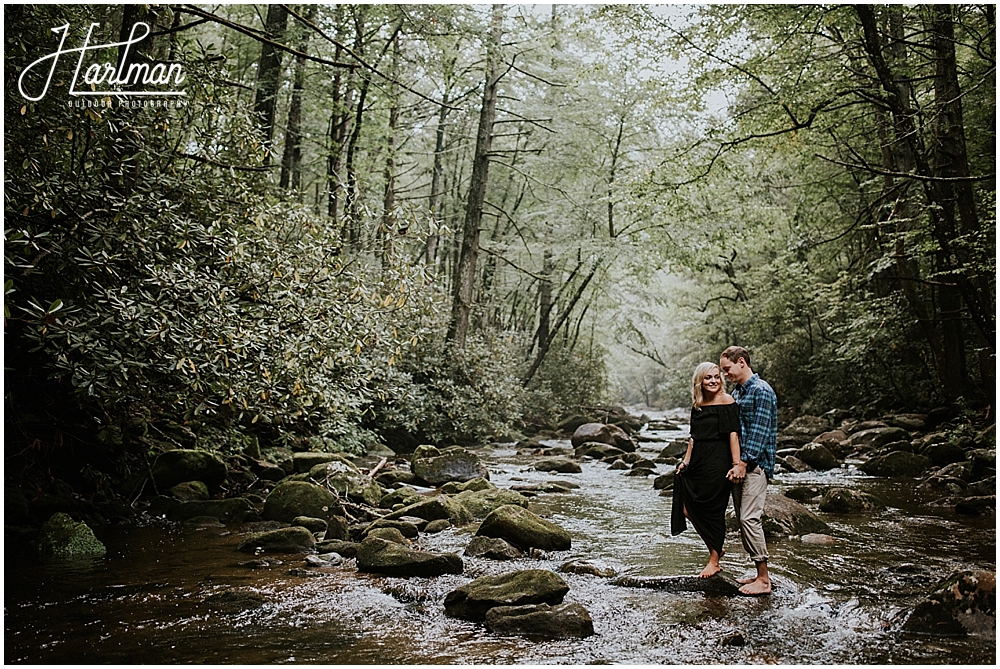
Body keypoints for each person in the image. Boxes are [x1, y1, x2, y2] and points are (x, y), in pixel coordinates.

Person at [671, 362, 744, 579]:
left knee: (714, 510)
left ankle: (714, 559)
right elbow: (693, 437)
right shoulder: (698, 404)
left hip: (718, 461)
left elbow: (733, 435)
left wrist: (736, 464)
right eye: (708, 378)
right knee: (685, 508)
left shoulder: (728, 401)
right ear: (700, 381)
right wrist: (685, 462)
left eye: (716, 377)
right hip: (699, 461)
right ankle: (715, 548)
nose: (713, 381)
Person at [719, 345, 778, 596]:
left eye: (727, 369)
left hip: (755, 465)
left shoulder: (761, 390)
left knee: (748, 519)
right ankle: (757, 572)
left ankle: (764, 580)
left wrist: (744, 463)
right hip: (740, 464)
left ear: (741, 362)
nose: (725, 374)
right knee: (743, 519)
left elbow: (760, 432)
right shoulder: (739, 391)